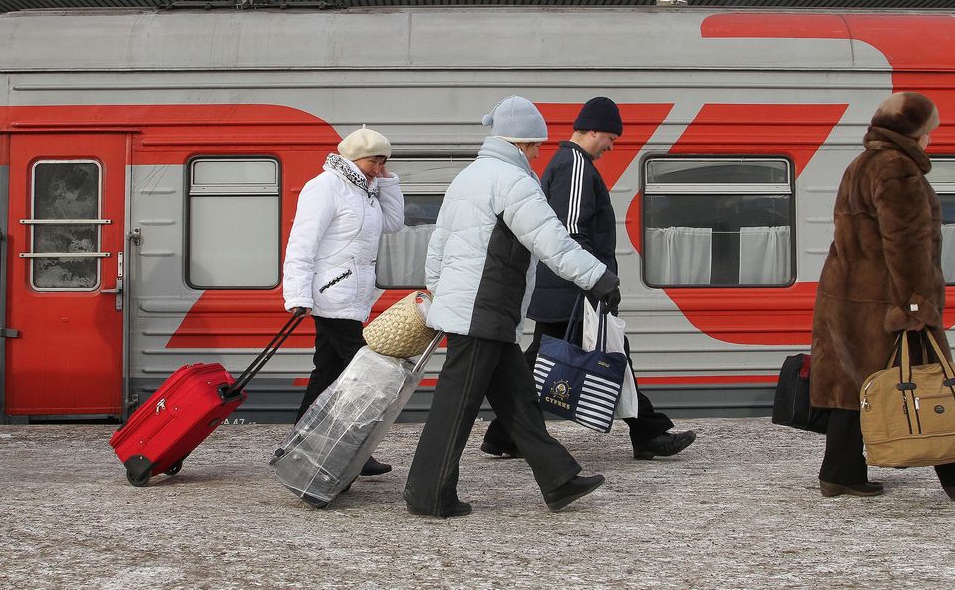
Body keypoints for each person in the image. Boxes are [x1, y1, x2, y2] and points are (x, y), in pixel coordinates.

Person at [403, 96, 622, 518]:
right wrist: (598, 278)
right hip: (484, 310)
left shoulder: (468, 177)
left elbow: (438, 245)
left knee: (519, 400)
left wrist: (438, 293)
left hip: (477, 310)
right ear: (520, 142)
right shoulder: (514, 182)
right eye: (536, 145)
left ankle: (558, 479)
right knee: (455, 406)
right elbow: (552, 242)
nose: (540, 153)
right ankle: (428, 494)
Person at [809, 92, 955, 500]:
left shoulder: (861, 164)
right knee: (932, 379)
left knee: (858, 385)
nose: (931, 141)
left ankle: (840, 473)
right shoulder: (897, 169)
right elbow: (905, 243)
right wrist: (915, 304)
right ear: (910, 133)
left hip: (848, 295)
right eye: (927, 133)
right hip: (892, 302)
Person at [480, 96, 697, 461]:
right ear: (592, 130)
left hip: (562, 289)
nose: (612, 146)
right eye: (610, 136)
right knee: (614, 354)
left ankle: (504, 434)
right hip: (576, 290)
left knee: (538, 364)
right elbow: (570, 230)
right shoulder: (575, 165)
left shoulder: (566, 163)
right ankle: (649, 434)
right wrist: (596, 280)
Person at [282, 126, 405, 477]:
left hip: (353, 296)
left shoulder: (366, 191)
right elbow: (302, 243)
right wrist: (298, 294)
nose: (377, 167)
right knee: (363, 374)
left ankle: (297, 444)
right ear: (352, 156)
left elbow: (394, 223)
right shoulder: (325, 187)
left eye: (383, 161)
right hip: (331, 296)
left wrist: (388, 180)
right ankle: (350, 452)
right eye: (373, 160)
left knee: (328, 373)